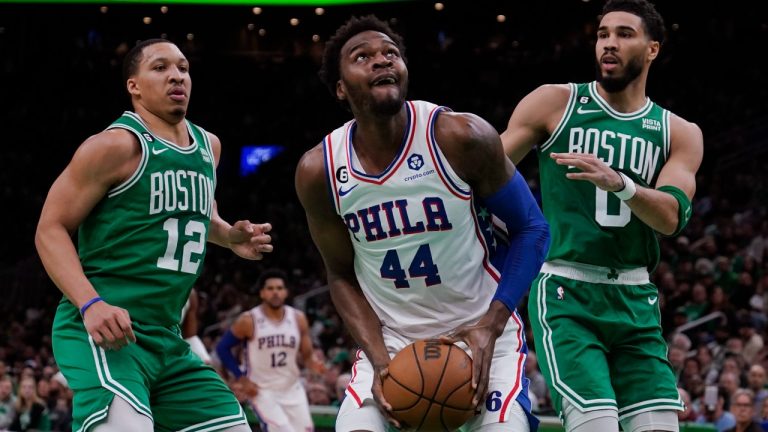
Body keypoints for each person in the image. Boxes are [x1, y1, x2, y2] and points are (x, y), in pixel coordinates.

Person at [296, 15, 549, 431]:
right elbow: (340, 275)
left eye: (390, 53)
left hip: (482, 330)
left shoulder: (460, 137)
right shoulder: (318, 170)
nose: (382, 60)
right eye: (362, 57)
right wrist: (379, 359)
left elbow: (533, 229)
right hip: (392, 341)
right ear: (340, 88)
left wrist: (491, 325)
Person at [35, 38, 273, 432]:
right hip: (106, 331)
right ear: (134, 86)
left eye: (183, 68)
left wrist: (230, 236)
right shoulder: (115, 145)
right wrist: (90, 304)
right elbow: (49, 228)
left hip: (167, 340)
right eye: (160, 68)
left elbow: (197, 216)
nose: (176, 76)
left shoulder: (208, 147)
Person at [500, 0, 704, 431]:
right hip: (567, 291)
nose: (609, 43)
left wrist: (621, 184)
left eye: (624, 34)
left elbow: (671, 217)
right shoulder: (555, 102)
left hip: (635, 296)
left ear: (652, 49)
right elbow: (486, 173)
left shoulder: (679, 132)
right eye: (603, 34)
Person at [216, 269, 324, 431]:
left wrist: (313, 363)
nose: (275, 292)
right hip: (263, 390)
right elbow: (222, 348)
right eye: (270, 288)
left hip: (292, 387)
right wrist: (241, 378)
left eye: (279, 288)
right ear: (262, 293)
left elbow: (307, 354)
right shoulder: (248, 320)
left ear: (286, 292)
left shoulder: (298, 318)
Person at [182, 288, 212, 363]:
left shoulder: (190, 294)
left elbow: (190, 335)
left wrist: (204, 358)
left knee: (207, 367)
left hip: (171, 344)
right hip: (153, 342)